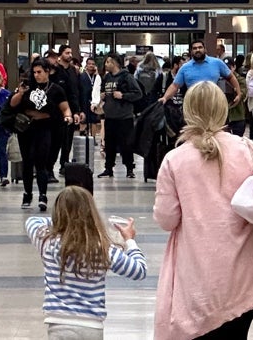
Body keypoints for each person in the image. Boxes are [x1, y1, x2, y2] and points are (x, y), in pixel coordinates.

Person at [153, 81, 253, 340]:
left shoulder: (175, 160)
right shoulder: (249, 150)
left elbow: (166, 219)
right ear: (223, 110)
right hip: (243, 279)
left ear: (188, 111)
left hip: (196, 282)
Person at [25, 186, 147, 339]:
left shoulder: (47, 242)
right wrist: (130, 240)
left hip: (58, 324)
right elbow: (139, 270)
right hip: (91, 326)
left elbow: (32, 221)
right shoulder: (103, 249)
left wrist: (64, 222)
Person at [10, 59, 74, 211]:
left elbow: (65, 107)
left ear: (47, 72)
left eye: (40, 72)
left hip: (45, 128)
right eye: (34, 72)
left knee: (42, 162)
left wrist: (68, 116)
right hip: (26, 129)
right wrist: (20, 93)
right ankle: (27, 193)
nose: (36, 75)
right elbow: (13, 104)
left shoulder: (56, 89)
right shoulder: (27, 86)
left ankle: (43, 195)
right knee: (27, 162)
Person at [98, 53, 142, 178]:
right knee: (109, 143)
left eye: (107, 62)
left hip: (124, 117)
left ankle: (129, 168)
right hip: (110, 116)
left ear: (114, 63)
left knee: (126, 144)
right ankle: (108, 168)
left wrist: (123, 96)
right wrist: (102, 97)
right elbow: (104, 91)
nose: (105, 65)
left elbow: (138, 94)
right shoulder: (106, 78)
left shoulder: (126, 77)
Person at [159, 40, 242, 106]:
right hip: (192, 106)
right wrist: (165, 98)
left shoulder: (217, 63)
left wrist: (238, 93)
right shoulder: (185, 68)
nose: (197, 50)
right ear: (191, 51)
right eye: (194, 48)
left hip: (214, 105)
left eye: (200, 47)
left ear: (205, 49)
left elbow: (231, 77)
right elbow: (175, 86)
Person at [134, 55, 169, 182]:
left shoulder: (139, 70)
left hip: (144, 103)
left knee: (148, 134)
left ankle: (149, 169)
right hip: (157, 105)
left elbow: (136, 83)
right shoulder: (158, 72)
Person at [54, 45, 86, 166]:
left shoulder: (74, 71)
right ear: (61, 54)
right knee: (57, 139)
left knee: (68, 140)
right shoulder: (56, 70)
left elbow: (77, 91)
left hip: (72, 109)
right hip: (58, 110)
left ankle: (64, 163)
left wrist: (79, 110)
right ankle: (51, 165)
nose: (70, 55)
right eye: (67, 53)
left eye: (70, 53)